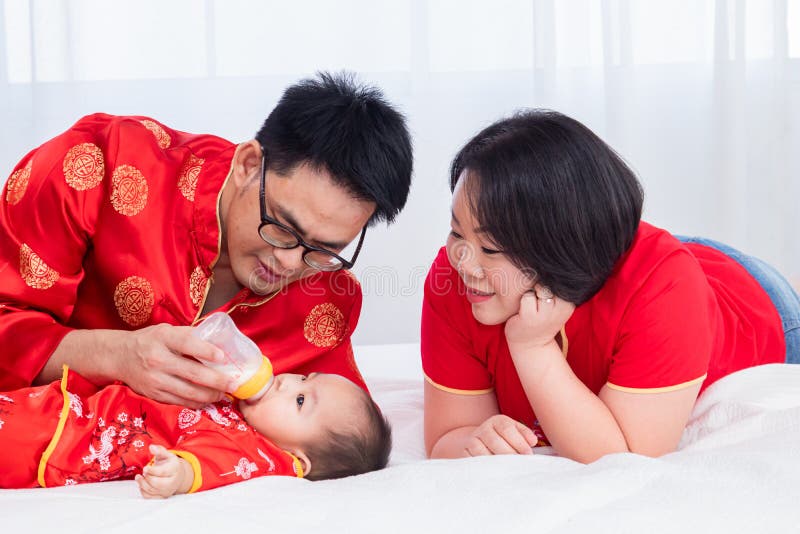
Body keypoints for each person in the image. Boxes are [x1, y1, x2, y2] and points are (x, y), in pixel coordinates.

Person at [0, 72, 413, 407]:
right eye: (284, 228)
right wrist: (118, 356)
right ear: (249, 164)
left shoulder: (325, 299)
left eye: (326, 248)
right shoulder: (94, 165)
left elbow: (339, 431)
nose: (291, 264)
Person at [422, 110, 800, 463]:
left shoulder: (665, 286)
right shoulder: (456, 277)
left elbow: (623, 456)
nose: (464, 262)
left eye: (489, 248)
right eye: (457, 232)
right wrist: (474, 441)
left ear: (557, 247)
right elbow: (448, 436)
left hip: (754, 298)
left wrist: (533, 347)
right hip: (646, 258)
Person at [0, 365, 391, 497]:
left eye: (301, 401)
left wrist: (181, 474)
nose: (288, 382)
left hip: (63, 443)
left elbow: (214, 463)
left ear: (300, 461)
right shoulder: (248, 410)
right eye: (304, 377)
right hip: (74, 409)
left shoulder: (261, 456)